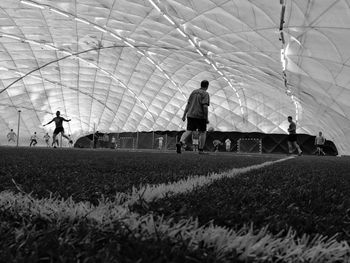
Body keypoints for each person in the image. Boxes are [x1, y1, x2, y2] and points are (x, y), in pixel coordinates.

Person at [176, 80, 210, 154]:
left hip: (190, 114)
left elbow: (188, 104)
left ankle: (181, 142)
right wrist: (206, 118)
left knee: (189, 130)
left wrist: (184, 115)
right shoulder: (205, 93)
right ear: (207, 86)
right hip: (200, 115)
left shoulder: (193, 92)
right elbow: (205, 107)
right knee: (203, 132)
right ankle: (200, 150)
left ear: (201, 85)